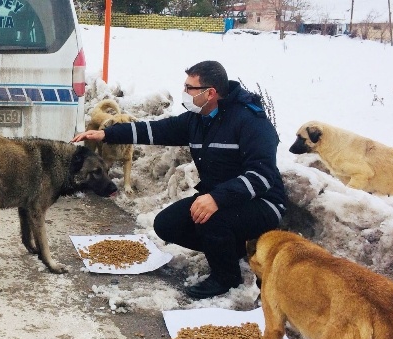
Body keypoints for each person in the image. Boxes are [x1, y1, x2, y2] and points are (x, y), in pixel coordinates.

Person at [72, 60, 286, 299]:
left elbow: (262, 175)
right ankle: (231, 248)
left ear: (210, 93)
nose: (184, 93)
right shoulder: (198, 118)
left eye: (189, 88)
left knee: (211, 217)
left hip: (262, 202)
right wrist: (106, 134)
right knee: (167, 224)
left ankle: (226, 276)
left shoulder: (250, 122)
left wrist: (216, 198)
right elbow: (155, 130)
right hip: (221, 198)